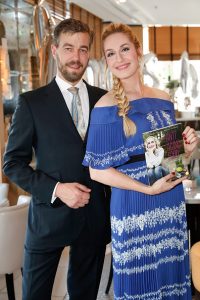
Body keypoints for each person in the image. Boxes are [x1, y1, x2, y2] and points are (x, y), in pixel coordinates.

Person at [83, 23, 199, 299]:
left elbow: (170, 157)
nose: (119, 59)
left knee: (170, 276)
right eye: (110, 54)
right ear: (106, 61)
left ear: (138, 51)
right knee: (139, 283)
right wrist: (148, 189)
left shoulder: (162, 98)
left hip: (170, 202)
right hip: (133, 205)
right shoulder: (105, 106)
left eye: (124, 49)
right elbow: (97, 171)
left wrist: (189, 150)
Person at [3, 18, 111, 300]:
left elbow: (122, 152)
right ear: (54, 51)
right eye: (68, 48)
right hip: (47, 220)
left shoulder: (105, 100)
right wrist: (57, 189)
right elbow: (12, 163)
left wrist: (175, 144)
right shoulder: (31, 103)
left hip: (93, 219)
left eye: (84, 49)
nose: (76, 58)